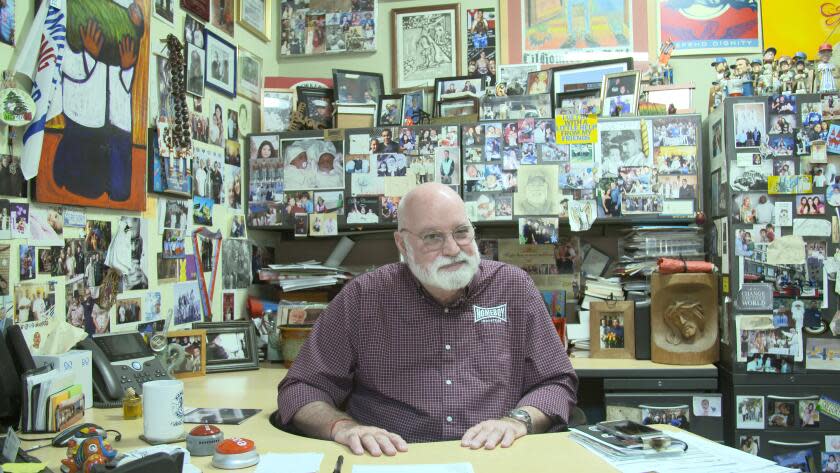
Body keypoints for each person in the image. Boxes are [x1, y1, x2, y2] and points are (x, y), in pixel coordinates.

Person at [276, 183, 578, 456]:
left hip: (493, 458)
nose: (453, 249)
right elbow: (301, 388)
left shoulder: (513, 287)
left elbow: (557, 382)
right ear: (402, 244)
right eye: (433, 237)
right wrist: (343, 427)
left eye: (461, 232)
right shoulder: (363, 297)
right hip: (393, 460)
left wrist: (518, 421)